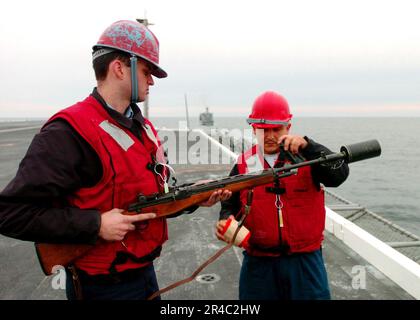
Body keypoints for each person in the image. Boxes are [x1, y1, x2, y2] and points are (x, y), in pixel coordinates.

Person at [0, 20, 231, 300]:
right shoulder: (68, 132)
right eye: (147, 71)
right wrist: (95, 225)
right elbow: (10, 213)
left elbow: (155, 199)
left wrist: (196, 195)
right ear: (120, 68)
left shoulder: (142, 128)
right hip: (100, 287)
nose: (152, 80)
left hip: (145, 274)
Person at [215, 91, 349, 300]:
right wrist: (226, 218)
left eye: (276, 129)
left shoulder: (308, 158)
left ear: (288, 127)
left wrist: (310, 146)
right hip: (258, 264)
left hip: (305, 262)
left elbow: (339, 175)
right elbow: (229, 200)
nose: (269, 136)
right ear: (254, 129)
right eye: (263, 129)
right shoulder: (243, 164)